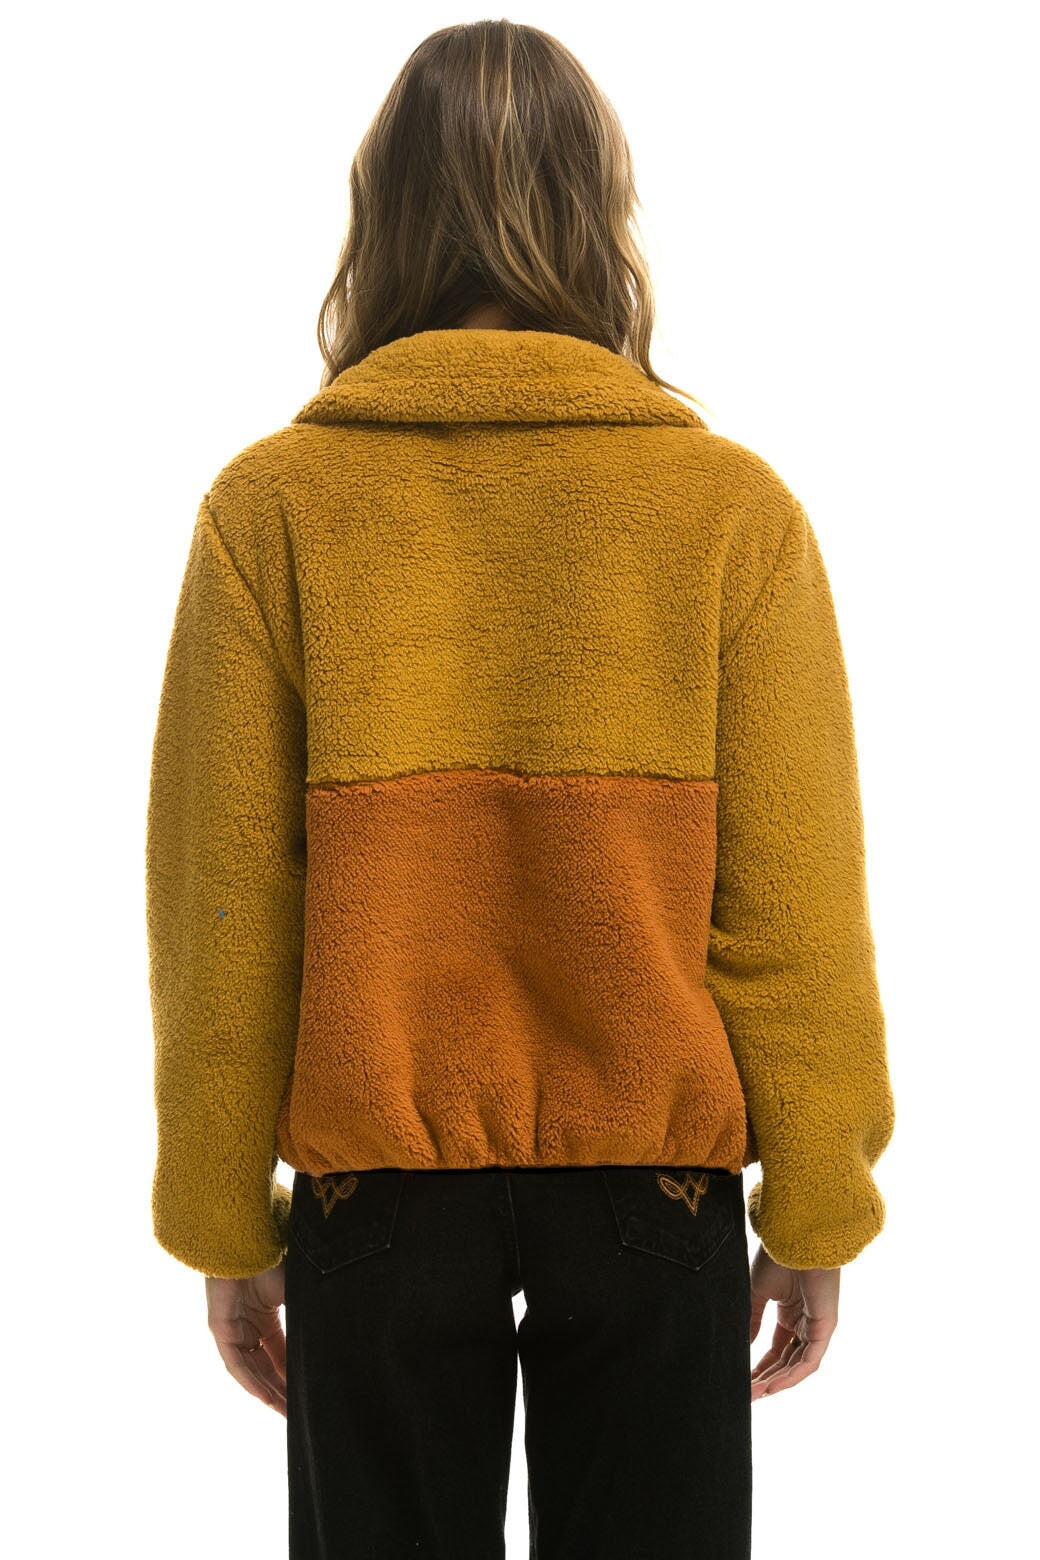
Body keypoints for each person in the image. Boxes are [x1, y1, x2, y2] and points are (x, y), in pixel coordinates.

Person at [145, 18, 895, 1560]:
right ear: (598, 209)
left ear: (384, 213)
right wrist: (819, 1205)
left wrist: (221, 1216)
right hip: (655, 1203)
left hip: (373, 1207)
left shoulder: (271, 509)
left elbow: (225, 907)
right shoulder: (728, 511)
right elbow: (793, 905)